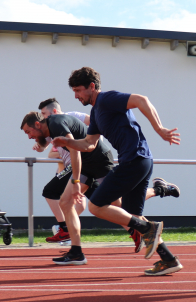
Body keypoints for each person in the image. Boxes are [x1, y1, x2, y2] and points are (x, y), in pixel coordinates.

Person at [52, 66, 183, 275]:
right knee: (133, 216)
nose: (76, 96)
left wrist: (159, 129)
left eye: (78, 90)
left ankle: (149, 228)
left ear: (91, 86)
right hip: (140, 161)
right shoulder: (96, 113)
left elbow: (141, 100)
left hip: (134, 160)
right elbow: (89, 144)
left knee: (96, 206)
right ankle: (168, 259)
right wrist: (67, 142)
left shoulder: (106, 99)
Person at [35, 98, 180, 249]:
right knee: (111, 203)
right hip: (83, 167)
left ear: (54, 111)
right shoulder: (49, 128)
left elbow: (94, 126)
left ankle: (66, 229)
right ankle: (138, 224)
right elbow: (46, 147)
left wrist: (94, 144)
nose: (43, 117)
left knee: (107, 202)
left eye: (44, 114)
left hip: (88, 163)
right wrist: (40, 146)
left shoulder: (70, 117)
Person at [21, 109, 115, 264]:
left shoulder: (56, 124)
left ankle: (146, 221)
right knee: (65, 202)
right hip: (86, 165)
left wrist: (76, 182)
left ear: (37, 124)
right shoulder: (49, 129)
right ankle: (76, 252)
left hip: (99, 161)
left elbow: (75, 149)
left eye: (28, 132)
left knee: (118, 203)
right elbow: (43, 144)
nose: (29, 136)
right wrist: (39, 144)